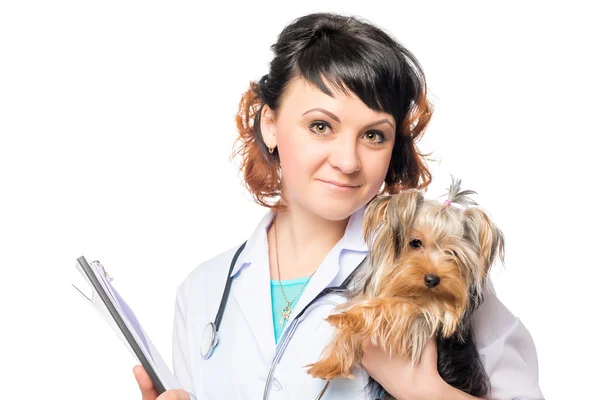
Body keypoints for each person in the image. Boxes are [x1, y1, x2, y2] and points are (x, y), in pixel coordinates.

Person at [133, 12, 544, 400]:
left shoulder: (439, 278)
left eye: (373, 135)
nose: (347, 161)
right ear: (271, 125)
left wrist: (427, 393)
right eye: (321, 126)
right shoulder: (204, 290)